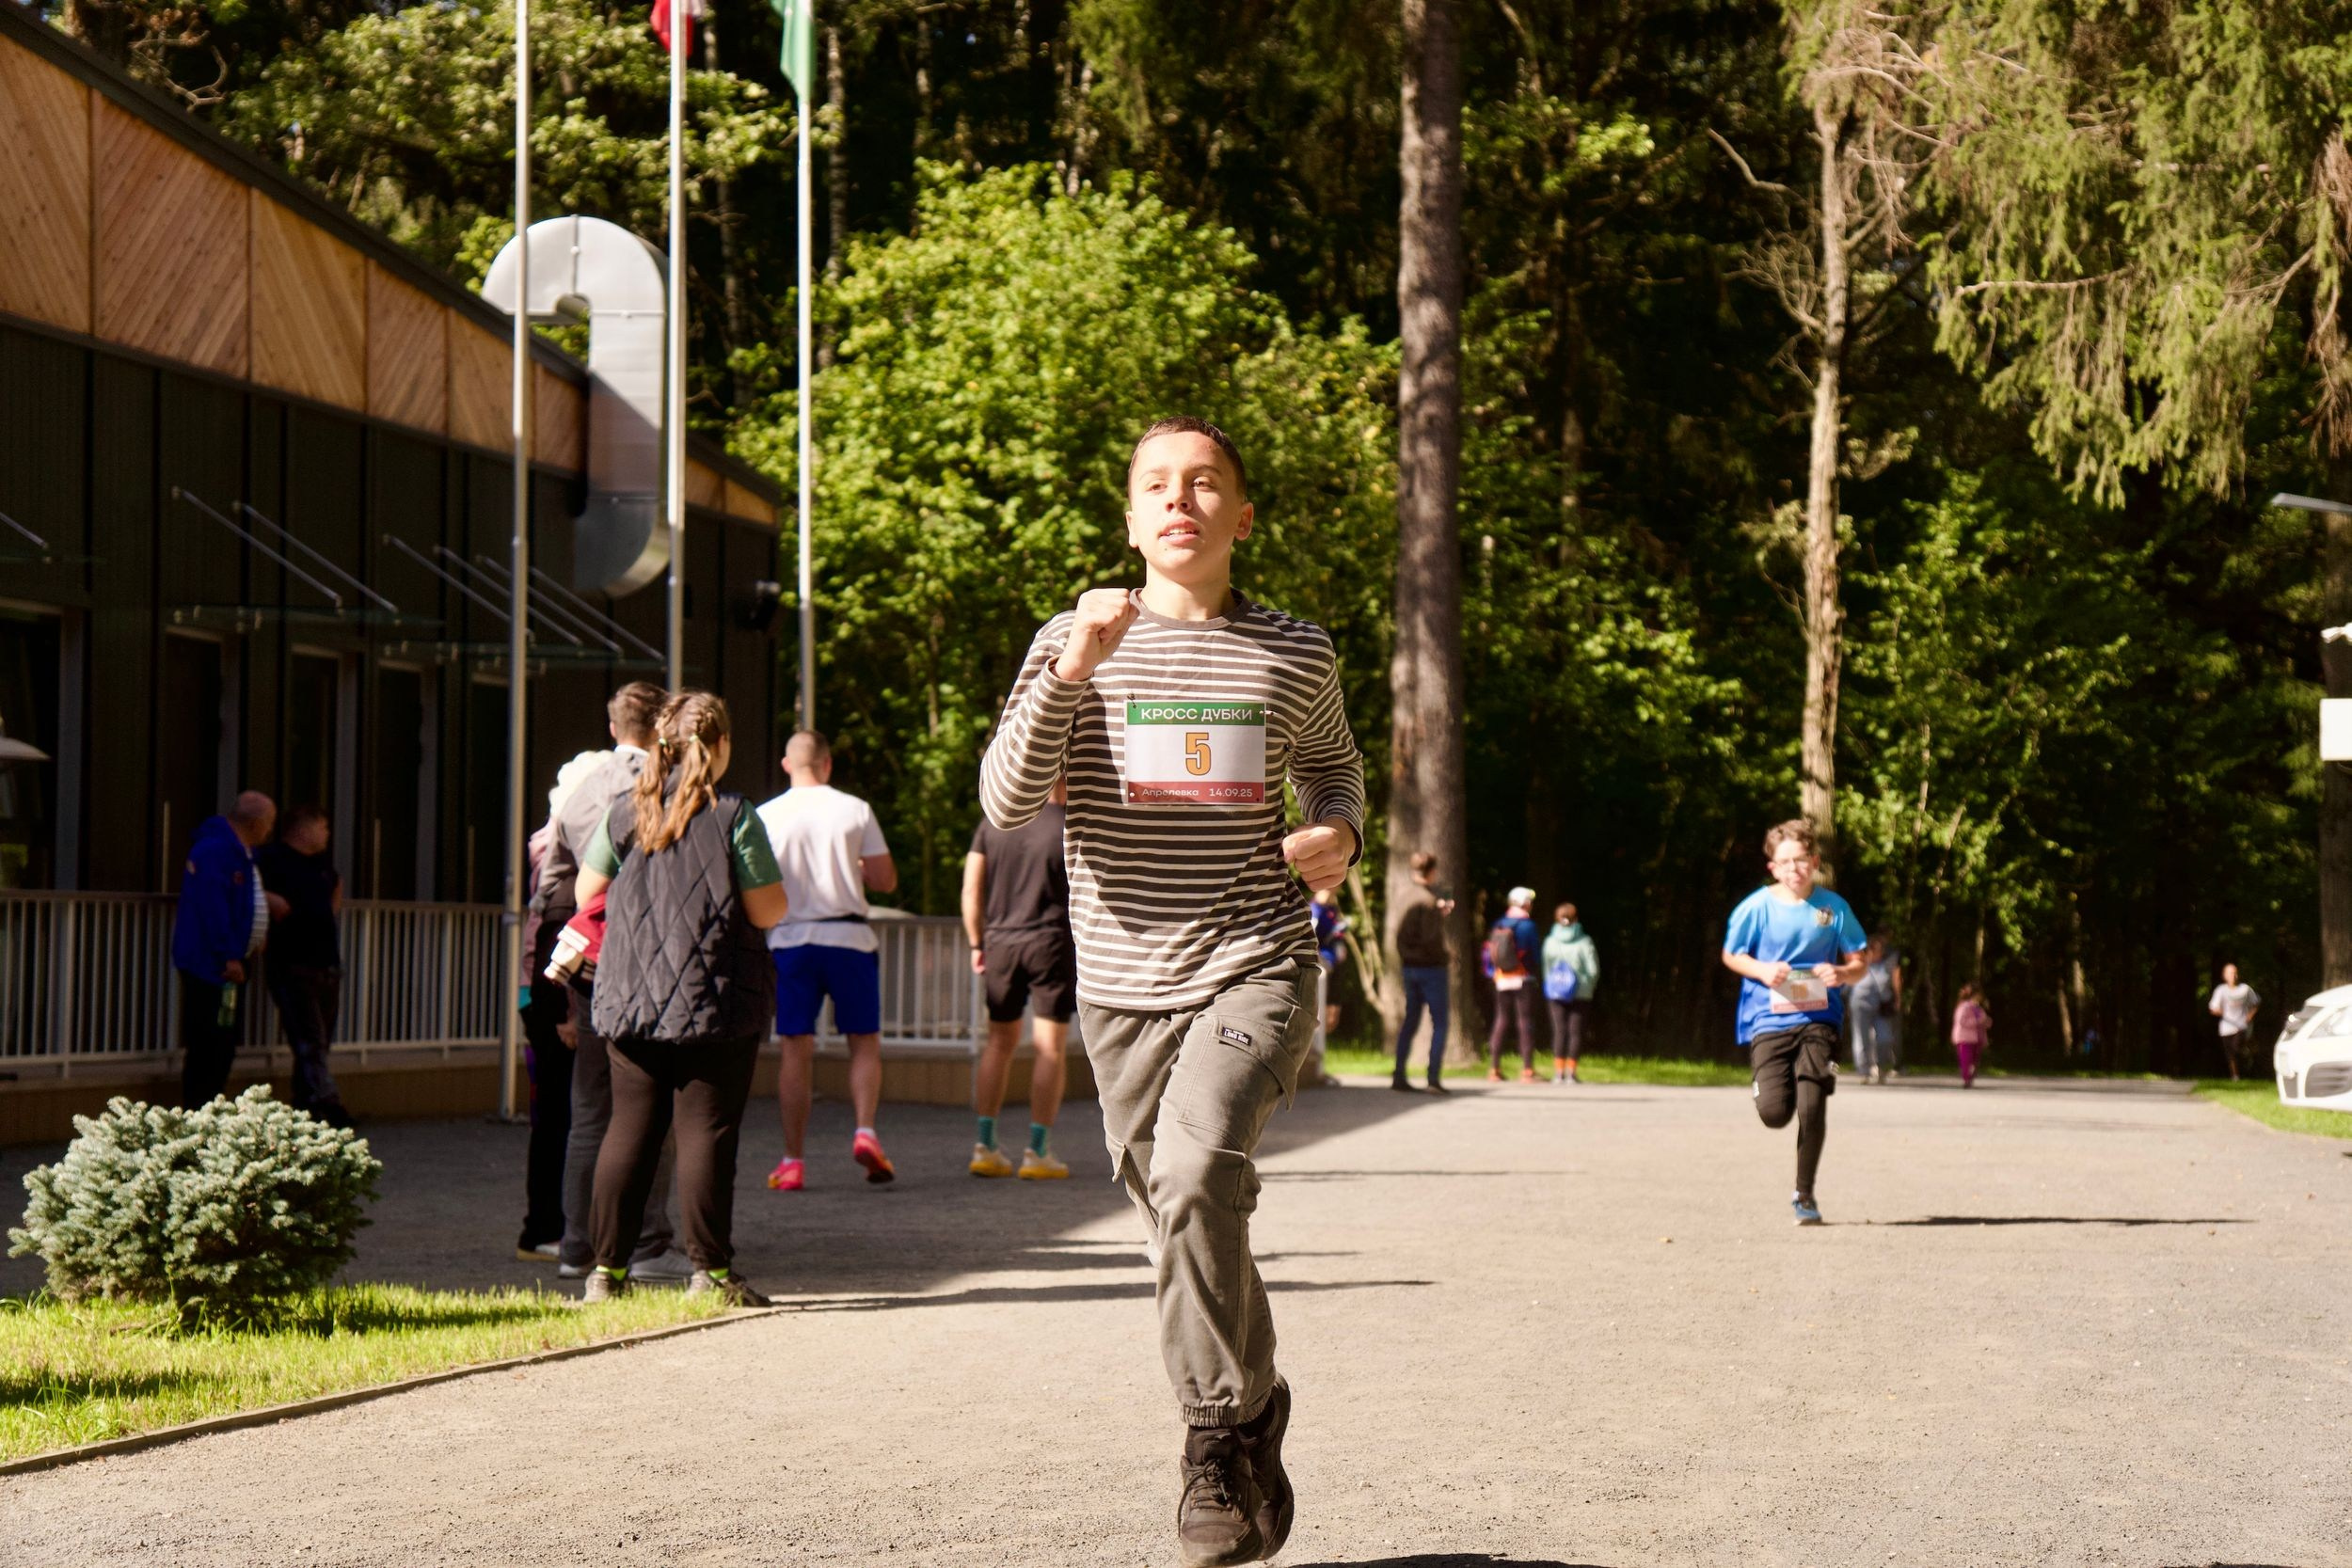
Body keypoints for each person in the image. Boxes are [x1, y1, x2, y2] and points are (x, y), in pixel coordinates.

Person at [979, 416, 1365, 1568]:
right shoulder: (1073, 639)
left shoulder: (1291, 649)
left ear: (1240, 516)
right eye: (1157, 483)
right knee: (1179, 1216)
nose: (1179, 499)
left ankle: (1210, 1434)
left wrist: (1338, 829)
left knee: (1198, 1171)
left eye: (1204, 484)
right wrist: (1074, 666)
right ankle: (1258, 1407)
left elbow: (1334, 764)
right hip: (1120, 985)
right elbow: (1006, 800)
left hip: (1255, 955)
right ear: (1132, 513)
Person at [576, 691, 788, 1306]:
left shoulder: (625, 810)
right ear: (718, 746)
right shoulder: (734, 815)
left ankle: (605, 1274)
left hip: (629, 995)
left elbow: (588, 888)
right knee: (706, 1133)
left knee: (629, 1129)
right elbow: (768, 908)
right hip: (714, 999)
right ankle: (711, 1274)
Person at [536, 684, 686, 1282]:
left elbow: (552, 888)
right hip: (650, 961)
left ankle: (577, 1244)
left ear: (612, 724)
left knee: (590, 1106)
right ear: (662, 726)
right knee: (656, 1104)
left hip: (589, 965)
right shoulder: (668, 787)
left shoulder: (576, 789)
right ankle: (647, 1243)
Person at [759, 730, 900, 1189]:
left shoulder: (765, 816)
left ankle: (793, 1161)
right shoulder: (853, 809)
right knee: (864, 1043)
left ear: (787, 765)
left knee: (795, 1049)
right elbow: (885, 879)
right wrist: (853, 866)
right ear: (828, 763)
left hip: (790, 940)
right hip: (850, 938)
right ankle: (865, 1130)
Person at [1720, 820, 1867, 1227]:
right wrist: (1764, 971)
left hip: (1821, 1017)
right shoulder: (1756, 907)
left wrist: (1843, 973)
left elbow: (1859, 960)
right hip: (1768, 1017)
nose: (1794, 869)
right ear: (1773, 867)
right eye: (1785, 862)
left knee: (1813, 1104)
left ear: (1814, 861)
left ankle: (1804, 1194)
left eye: (1801, 860)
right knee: (1775, 1113)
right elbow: (1733, 955)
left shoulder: (1833, 908)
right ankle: (1763, 1089)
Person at [513, 751, 606, 1262]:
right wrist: (565, 1012)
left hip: (542, 991)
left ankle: (554, 1224)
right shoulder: (565, 849)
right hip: (554, 994)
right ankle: (546, 1226)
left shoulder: (546, 842)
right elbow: (559, 929)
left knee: (559, 1114)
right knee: (559, 1116)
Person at [961, 775, 1074, 1180]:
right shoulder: (1068, 823)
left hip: (1001, 945)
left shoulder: (994, 822)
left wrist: (978, 943)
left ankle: (985, 1146)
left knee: (998, 1042)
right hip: (1051, 942)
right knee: (1050, 1048)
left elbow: (971, 890)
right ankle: (1037, 1151)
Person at [173, 790, 274, 1108]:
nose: (270, 831)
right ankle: (200, 1107)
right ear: (257, 824)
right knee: (210, 1040)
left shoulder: (238, 853)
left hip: (227, 960)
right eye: (269, 823)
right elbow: (213, 907)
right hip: (211, 963)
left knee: (222, 1040)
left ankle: (209, 1104)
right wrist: (228, 954)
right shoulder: (217, 851)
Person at [254, 804, 351, 1126]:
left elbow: (335, 890)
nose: (326, 835)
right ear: (304, 828)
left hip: (325, 962)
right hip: (292, 961)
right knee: (309, 1038)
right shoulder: (270, 859)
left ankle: (306, 1103)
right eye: (322, 827)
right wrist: (269, 899)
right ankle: (330, 1103)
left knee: (319, 1039)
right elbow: (245, 886)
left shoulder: (321, 865)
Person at [1391, 853, 1454, 1094]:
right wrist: (1446, 957)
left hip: (1409, 966)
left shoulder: (1403, 895)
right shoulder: (1428, 900)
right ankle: (1433, 1078)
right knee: (1440, 1023)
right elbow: (1430, 939)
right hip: (1431, 968)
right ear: (1432, 871)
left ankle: (1399, 1075)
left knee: (1410, 1021)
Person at [1484, 887, 1541, 1084]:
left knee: (1501, 1020)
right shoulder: (1528, 926)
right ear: (1525, 903)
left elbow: (1490, 952)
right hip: (1523, 978)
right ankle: (1527, 1071)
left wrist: (1492, 973)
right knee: (1524, 1022)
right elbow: (1534, 954)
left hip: (1501, 978)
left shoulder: (1498, 923)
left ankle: (1494, 1069)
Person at [1540, 902, 1598, 1085]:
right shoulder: (1585, 941)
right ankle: (1571, 1073)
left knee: (1559, 1031)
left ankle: (1558, 1073)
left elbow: (1546, 968)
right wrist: (1588, 986)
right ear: (1576, 919)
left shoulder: (1550, 941)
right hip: (1580, 993)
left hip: (1556, 992)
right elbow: (1593, 969)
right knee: (1575, 1032)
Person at [1304, 886, 1347, 1087]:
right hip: (1322, 970)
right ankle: (1315, 1069)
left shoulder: (1333, 909)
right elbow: (1309, 938)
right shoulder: (1315, 909)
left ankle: (1322, 1066)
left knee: (1332, 1018)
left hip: (1336, 970)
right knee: (1319, 1018)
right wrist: (1320, 960)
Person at [1848, 935, 1904, 1084]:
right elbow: (1846, 984)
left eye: (1881, 950)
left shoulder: (1886, 965)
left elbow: (1894, 981)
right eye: (1876, 950)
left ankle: (1880, 1067)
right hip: (1860, 1005)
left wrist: (1897, 999)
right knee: (1862, 1038)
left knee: (1885, 1038)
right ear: (1868, 951)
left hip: (1881, 1007)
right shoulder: (1858, 966)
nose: (1879, 953)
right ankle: (1864, 1071)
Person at [2208, 963, 2262, 1081]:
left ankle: (2247, 1055)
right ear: (2225, 976)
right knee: (2230, 1054)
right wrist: (2217, 1011)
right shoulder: (2221, 990)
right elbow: (2213, 1007)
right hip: (2226, 1027)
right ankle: (2235, 1076)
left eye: (2236, 973)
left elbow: (2256, 1003)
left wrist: (2250, 1015)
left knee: (2236, 1048)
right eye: (2231, 973)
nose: (2234, 976)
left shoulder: (2245, 989)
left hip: (2241, 1026)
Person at [1951, 983, 1991, 1087]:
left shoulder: (1978, 1008)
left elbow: (1983, 1021)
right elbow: (1962, 1021)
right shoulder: (1963, 1007)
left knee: (1975, 1060)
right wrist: (1978, 1021)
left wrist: (1986, 1022)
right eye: (1979, 994)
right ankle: (1966, 1079)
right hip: (1965, 1038)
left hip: (1977, 1038)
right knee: (1966, 1059)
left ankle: (1970, 1077)